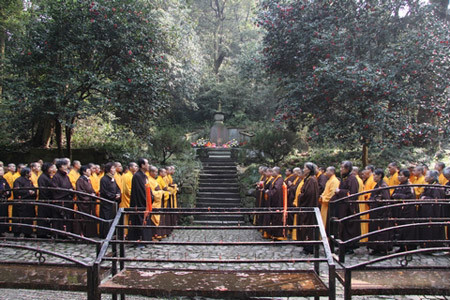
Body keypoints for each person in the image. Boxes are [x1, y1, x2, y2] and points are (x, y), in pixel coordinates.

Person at [330, 161, 360, 253]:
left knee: (349, 227)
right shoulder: (345, 178)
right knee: (342, 227)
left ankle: (349, 247)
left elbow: (352, 193)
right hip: (343, 207)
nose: (341, 169)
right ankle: (343, 245)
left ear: (347, 169)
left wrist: (340, 191)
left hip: (349, 208)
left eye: (342, 168)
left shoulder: (352, 179)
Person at [295, 162, 320, 254]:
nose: (303, 169)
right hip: (306, 207)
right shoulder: (308, 179)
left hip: (309, 207)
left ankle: (309, 248)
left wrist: (300, 196)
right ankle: (306, 246)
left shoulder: (312, 180)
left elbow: (309, 194)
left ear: (309, 170)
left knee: (309, 227)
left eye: (305, 168)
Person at [418, 170, 445, 248]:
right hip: (426, 211)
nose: (425, 177)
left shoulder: (436, 187)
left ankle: (432, 246)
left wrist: (425, 198)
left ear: (432, 177)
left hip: (433, 213)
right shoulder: (429, 185)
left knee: (432, 229)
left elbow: (436, 199)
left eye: (427, 175)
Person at [367, 169, 392, 255]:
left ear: (380, 175)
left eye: (375, 175)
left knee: (381, 230)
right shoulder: (377, 185)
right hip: (376, 211)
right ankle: (376, 247)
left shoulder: (383, 185)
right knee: (375, 230)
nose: (373, 177)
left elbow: (385, 199)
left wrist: (374, 199)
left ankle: (382, 248)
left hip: (381, 212)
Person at [391, 169, 416, 252]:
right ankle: (402, 245)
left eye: (401, 175)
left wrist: (397, 195)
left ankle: (407, 247)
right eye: (399, 175)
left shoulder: (409, 186)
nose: (399, 177)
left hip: (407, 211)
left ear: (406, 177)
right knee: (401, 228)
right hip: (400, 210)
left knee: (407, 229)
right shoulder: (400, 185)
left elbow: (410, 197)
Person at [129, 158, 152, 243]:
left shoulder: (144, 175)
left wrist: (151, 196)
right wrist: (146, 199)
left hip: (145, 202)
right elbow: (140, 191)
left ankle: (145, 239)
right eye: (147, 164)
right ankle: (138, 239)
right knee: (139, 220)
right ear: (142, 165)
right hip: (139, 202)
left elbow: (148, 188)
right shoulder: (137, 176)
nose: (148, 165)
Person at [52, 159, 74, 234]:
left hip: (67, 200)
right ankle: (59, 233)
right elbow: (55, 189)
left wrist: (71, 190)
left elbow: (70, 185)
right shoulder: (56, 177)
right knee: (60, 218)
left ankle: (67, 232)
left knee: (68, 217)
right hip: (60, 200)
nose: (66, 167)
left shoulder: (66, 176)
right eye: (64, 165)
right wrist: (67, 191)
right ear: (60, 167)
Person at [99, 162, 121, 238]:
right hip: (107, 202)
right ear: (108, 169)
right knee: (106, 218)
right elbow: (104, 191)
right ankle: (105, 234)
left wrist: (118, 194)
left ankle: (112, 234)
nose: (114, 170)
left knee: (113, 217)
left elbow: (117, 188)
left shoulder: (113, 178)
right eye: (112, 168)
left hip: (113, 202)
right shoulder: (104, 179)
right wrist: (113, 196)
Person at [13, 167, 36, 238]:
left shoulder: (29, 181)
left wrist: (33, 192)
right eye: (29, 172)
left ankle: (27, 232)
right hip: (21, 203)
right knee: (18, 218)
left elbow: (34, 189)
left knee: (28, 218)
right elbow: (17, 191)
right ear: (26, 173)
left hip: (29, 202)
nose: (31, 174)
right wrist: (27, 192)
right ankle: (17, 233)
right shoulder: (18, 181)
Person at [75, 165, 97, 237]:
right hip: (83, 203)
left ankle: (89, 233)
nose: (90, 172)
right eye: (88, 171)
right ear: (84, 172)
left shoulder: (88, 180)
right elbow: (80, 192)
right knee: (83, 217)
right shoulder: (80, 180)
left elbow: (91, 189)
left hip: (89, 202)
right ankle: (82, 233)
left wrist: (93, 193)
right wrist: (89, 197)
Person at [37, 162, 57, 238]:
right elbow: (43, 190)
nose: (52, 169)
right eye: (51, 168)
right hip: (44, 199)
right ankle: (42, 233)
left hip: (49, 199)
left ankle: (47, 231)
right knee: (43, 217)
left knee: (48, 217)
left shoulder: (48, 177)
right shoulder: (42, 177)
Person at [266, 167, 285, 240]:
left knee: (277, 217)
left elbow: (276, 191)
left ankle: (278, 235)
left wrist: (269, 192)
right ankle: (273, 234)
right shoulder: (275, 179)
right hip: (274, 202)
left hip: (277, 202)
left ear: (277, 172)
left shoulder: (279, 180)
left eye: (273, 171)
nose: (272, 172)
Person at [319, 166, 340, 231]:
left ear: (332, 172)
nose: (326, 172)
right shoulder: (329, 180)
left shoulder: (334, 181)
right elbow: (325, 191)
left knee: (327, 223)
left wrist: (323, 198)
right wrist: (322, 196)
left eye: (327, 171)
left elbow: (332, 194)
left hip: (328, 205)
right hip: (324, 204)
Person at [120, 162, 138, 237]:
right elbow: (126, 189)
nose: (136, 167)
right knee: (126, 216)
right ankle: (124, 233)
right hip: (127, 198)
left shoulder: (133, 176)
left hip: (132, 198)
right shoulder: (127, 176)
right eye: (135, 166)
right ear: (130, 167)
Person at [0, 166, 11, 236]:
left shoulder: (4, 180)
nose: (1, 172)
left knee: (3, 216)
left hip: (3, 200)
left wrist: (7, 193)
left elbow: (8, 189)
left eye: (2, 170)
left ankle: (2, 231)